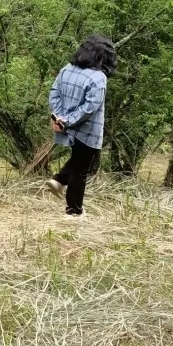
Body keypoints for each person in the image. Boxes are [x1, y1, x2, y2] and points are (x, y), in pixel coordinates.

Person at [45, 35, 117, 219]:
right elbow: (89, 108)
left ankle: (59, 180)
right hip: (88, 129)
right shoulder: (98, 77)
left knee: (79, 160)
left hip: (65, 124)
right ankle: (74, 211)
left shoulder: (67, 69)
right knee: (81, 170)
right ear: (103, 56)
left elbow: (54, 93)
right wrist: (66, 121)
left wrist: (59, 118)